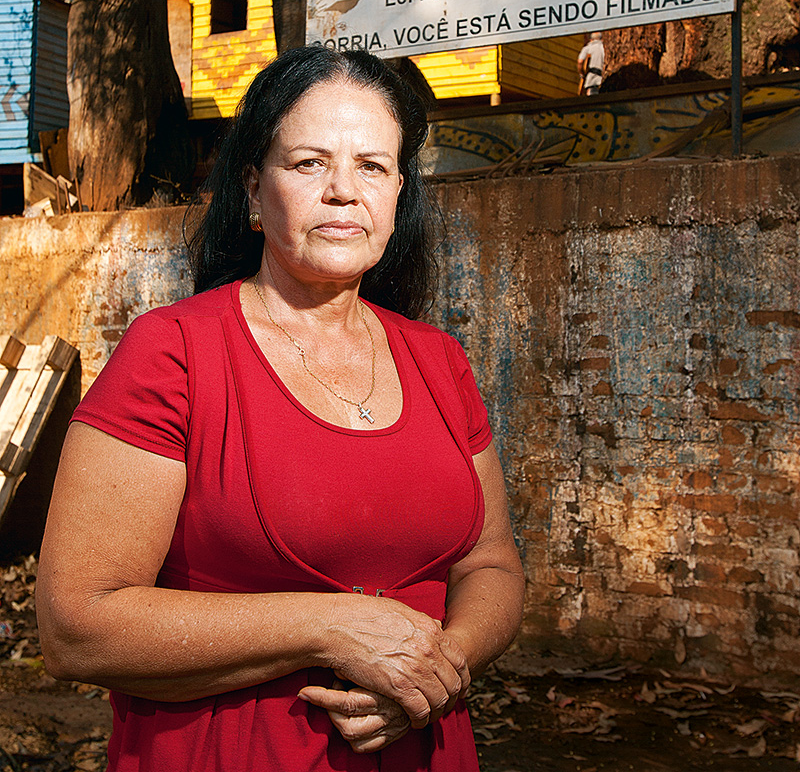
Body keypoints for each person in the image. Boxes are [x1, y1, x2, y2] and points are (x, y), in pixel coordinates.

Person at [36, 46, 525, 772]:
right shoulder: (175, 353)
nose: (342, 191)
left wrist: (433, 667)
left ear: (398, 193)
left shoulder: (438, 360)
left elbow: (491, 563)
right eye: (307, 163)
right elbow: (76, 626)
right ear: (252, 192)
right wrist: (332, 627)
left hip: (424, 748)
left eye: (372, 166)